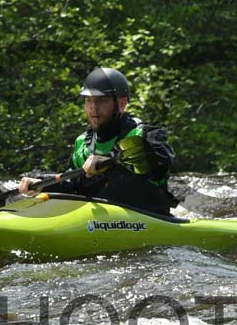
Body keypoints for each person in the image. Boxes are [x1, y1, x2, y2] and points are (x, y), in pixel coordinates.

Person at [18, 67, 179, 215]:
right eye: (88, 100)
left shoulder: (144, 134)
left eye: (102, 100)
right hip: (100, 221)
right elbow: (73, 186)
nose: (93, 107)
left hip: (145, 217)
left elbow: (162, 161)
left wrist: (109, 161)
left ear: (121, 104)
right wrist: (42, 184)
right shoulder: (82, 143)